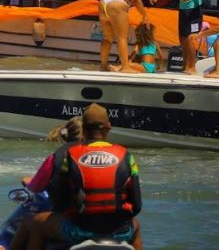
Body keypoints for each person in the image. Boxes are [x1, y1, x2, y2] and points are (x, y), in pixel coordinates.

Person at [15, 104, 142, 250]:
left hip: (80, 230)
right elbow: (137, 205)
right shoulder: (127, 156)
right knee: (136, 226)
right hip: (119, 231)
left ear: (85, 129)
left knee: (37, 223)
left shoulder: (70, 156)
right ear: (109, 127)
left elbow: (60, 204)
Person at [8, 116, 84, 250]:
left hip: (72, 223)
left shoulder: (57, 157)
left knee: (30, 224)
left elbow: (36, 186)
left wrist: (28, 181)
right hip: (109, 222)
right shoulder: (110, 156)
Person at [98, 0, 150, 73]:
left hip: (104, 3)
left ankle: (103, 65)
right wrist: (144, 14)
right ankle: (125, 67)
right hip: (117, 5)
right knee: (122, 38)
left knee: (107, 38)